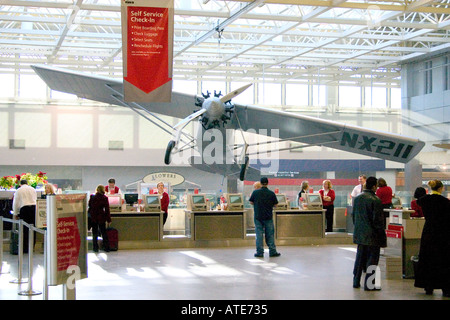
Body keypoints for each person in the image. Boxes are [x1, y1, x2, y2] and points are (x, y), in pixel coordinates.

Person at [414, 180, 450, 297]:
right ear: (441, 188)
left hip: (428, 231)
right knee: (442, 259)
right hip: (442, 233)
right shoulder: (445, 202)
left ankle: (428, 286)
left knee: (427, 258)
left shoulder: (424, 201)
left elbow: (417, 201)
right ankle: (445, 287)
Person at [352, 176, 387, 291]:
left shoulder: (357, 198)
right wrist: (382, 236)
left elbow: (353, 216)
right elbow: (377, 220)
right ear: (374, 186)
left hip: (360, 234)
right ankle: (369, 284)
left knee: (360, 258)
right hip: (372, 235)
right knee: (372, 259)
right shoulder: (375, 200)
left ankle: (356, 281)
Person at [249, 177, 280, 258]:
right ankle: (272, 251)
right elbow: (276, 204)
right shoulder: (271, 193)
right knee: (270, 234)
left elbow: (251, 202)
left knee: (259, 234)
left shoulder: (255, 193)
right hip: (268, 216)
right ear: (267, 183)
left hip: (258, 216)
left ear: (261, 183)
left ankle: (259, 252)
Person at [12, 180, 37, 253]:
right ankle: (32, 246)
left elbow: (16, 202)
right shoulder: (33, 189)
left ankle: (25, 247)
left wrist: (15, 213)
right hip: (34, 208)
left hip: (24, 208)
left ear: (20, 184)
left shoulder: (19, 190)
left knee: (24, 229)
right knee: (33, 228)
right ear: (27, 183)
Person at [88, 184, 112, 252]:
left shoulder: (92, 197)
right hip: (101, 217)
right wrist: (109, 219)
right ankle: (106, 247)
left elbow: (90, 206)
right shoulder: (104, 198)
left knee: (94, 233)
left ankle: (95, 248)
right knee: (103, 232)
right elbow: (107, 210)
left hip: (94, 217)